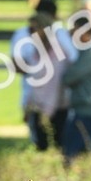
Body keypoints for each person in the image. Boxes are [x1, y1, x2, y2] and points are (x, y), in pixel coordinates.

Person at [60, 14, 91, 165]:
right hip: (83, 108)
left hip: (89, 109)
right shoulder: (86, 53)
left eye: (74, 33)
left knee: (74, 153)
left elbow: (69, 77)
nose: (72, 38)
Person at [22, 12, 67, 152]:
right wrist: (28, 106)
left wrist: (46, 113)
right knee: (40, 148)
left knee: (55, 148)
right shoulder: (36, 52)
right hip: (38, 108)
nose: (31, 34)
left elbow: (55, 85)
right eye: (29, 30)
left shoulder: (57, 52)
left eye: (34, 29)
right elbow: (34, 81)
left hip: (55, 110)